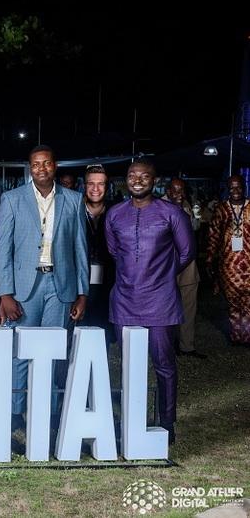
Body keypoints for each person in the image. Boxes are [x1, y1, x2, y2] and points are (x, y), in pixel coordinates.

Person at [0, 145, 88, 430]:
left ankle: (45, 413)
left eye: (46, 163)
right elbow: (3, 250)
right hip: (25, 288)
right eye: (36, 164)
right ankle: (14, 412)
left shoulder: (73, 199)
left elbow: (80, 249)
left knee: (51, 352)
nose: (41, 168)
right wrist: (5, 293)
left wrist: (83, 293)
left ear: (54, 165)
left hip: (60, 287)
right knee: (20, 351)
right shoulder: (12, 199)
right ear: (29, 168)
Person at [105, 159, 195, 443]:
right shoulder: (115, 214)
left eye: (144, 176)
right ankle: (132, 419)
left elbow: (186, 252)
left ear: (154, 181)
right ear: (126, 180)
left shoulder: (171, 213)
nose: (138, 180)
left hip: (159, 302)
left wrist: (161, 276)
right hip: (124, 300)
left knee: (164, 365)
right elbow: (113, 251)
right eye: (133, 175)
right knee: (129, 364)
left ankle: (167, 423)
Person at [162, 178, 206, 358]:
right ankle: (167, 346)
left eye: (181, 191)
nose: (178, 194)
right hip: (166, 265)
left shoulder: (188, 205)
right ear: (168, 190)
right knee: (166, 308)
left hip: (188, 265)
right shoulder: (158, 207)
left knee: (189, 307)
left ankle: (187, 346)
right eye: (175, 190)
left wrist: (195, 215)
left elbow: (196, 228)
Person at [206, 175, 250, 347]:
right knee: (232, 301)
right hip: (229, 265)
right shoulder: (222, 209)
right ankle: (235, 335)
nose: (235, 191)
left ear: (244, 187)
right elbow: (213, 235)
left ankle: (246, 335)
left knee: (248, 302)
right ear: (227, 189)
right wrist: (209, 259)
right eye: (232, 188)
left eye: (238, 187)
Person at [80, 164, 115, 343]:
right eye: (91, 183)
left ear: (107, 187)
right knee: (79, 332)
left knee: (104, 333)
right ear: (84, 186)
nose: (95, 188)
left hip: (108, 283)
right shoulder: (74, 211)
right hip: (80, 284)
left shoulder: (116, 212)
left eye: (100, 184)